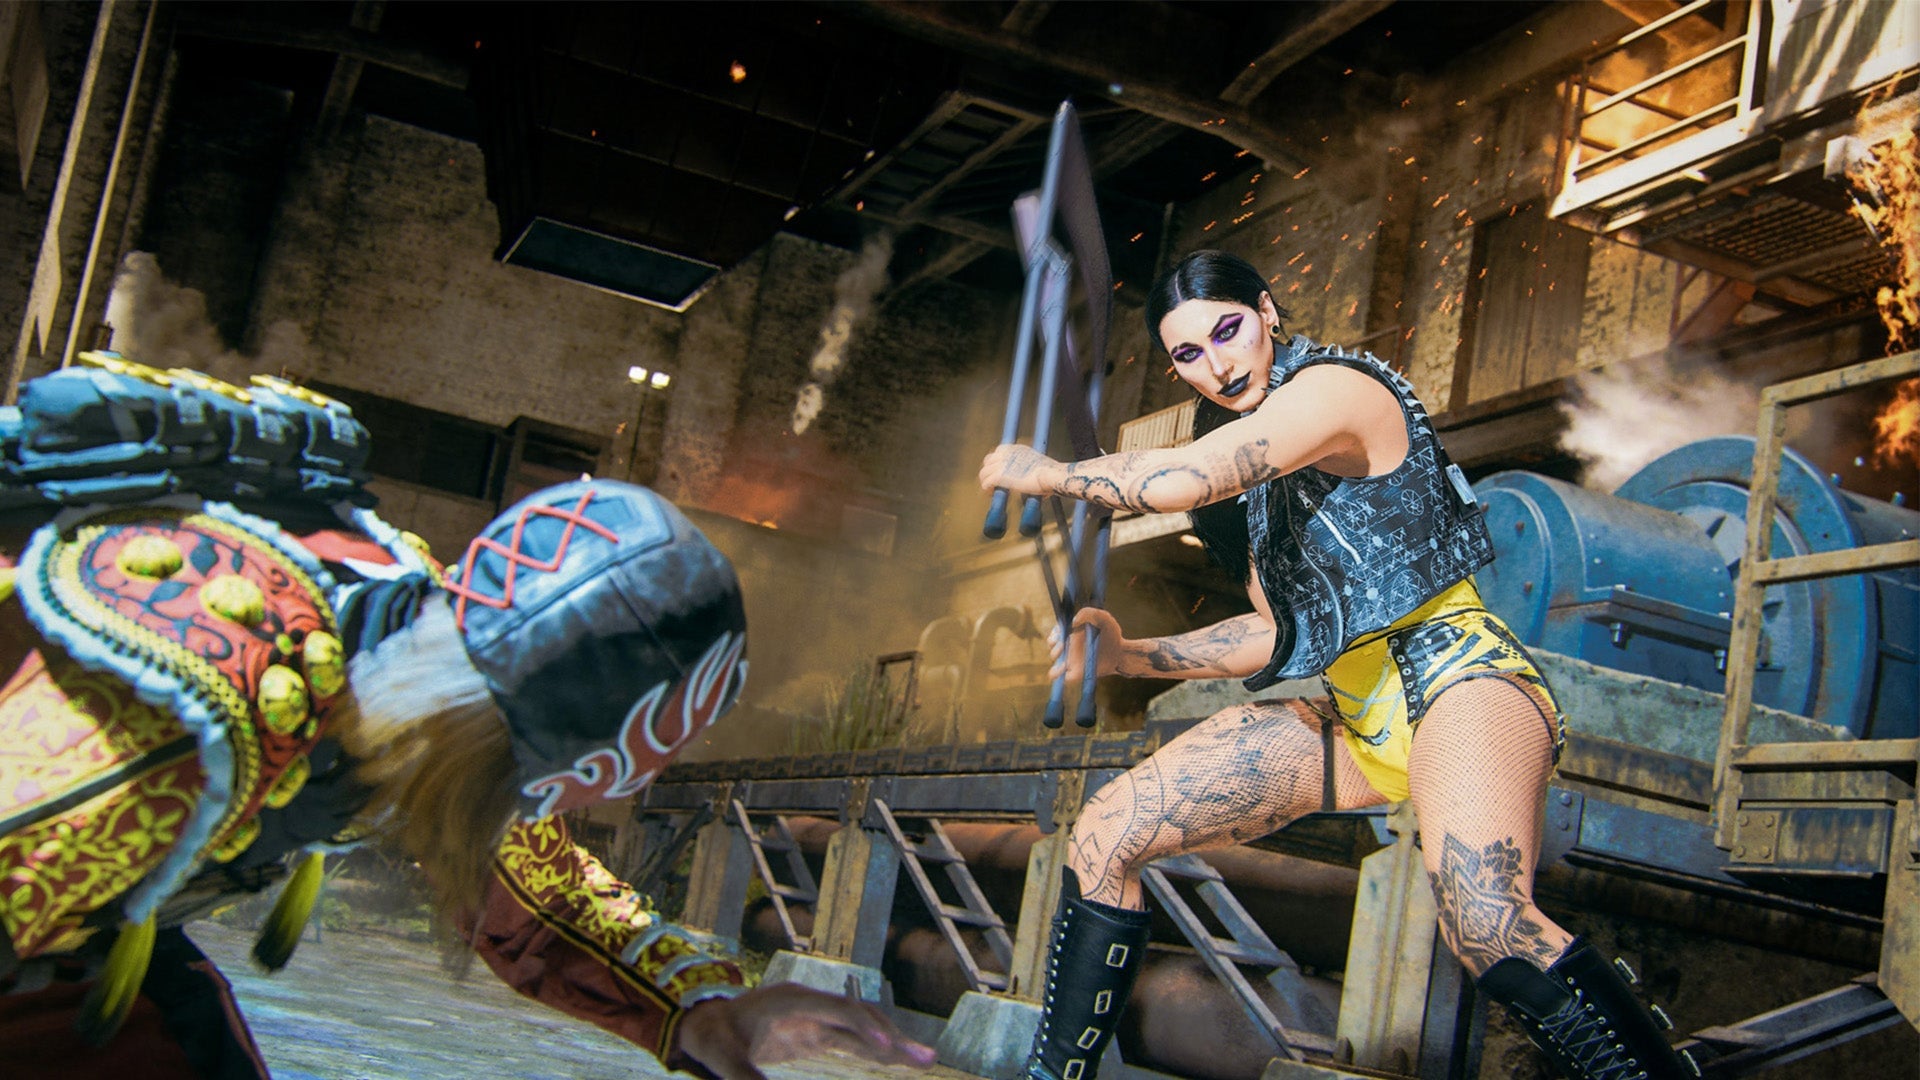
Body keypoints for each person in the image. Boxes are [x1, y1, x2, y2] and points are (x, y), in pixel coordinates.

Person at [0, 353, 937, 1079]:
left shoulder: (430, 638)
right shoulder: (184, 711)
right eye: (629, 761)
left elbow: (527, 888)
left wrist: (698, 1011)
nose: (632, 788)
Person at [979, 250, 1695, 1080]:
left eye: (1228, 330)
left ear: (1267, 310)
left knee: (1487, 921)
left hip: (1461, 681)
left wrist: (1054, 475)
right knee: (1107, 833)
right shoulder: (1255, 476)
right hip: (1354, 717)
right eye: (1190, 354)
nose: (1219, 365)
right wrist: (1129, 657)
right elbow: (1274, 632)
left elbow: (1186, 476)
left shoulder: (1337, 389)